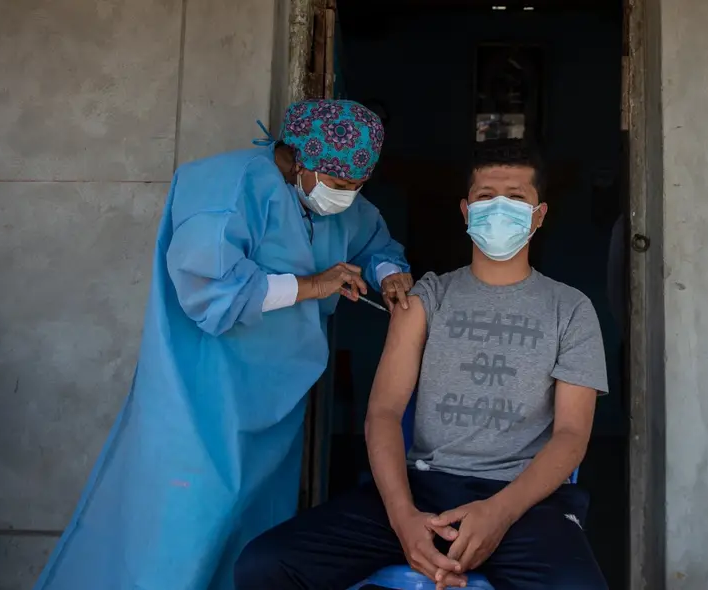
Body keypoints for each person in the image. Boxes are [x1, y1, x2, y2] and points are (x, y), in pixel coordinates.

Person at [33, 99, 413, 590]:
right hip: (202, 398)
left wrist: (389, 274)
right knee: (176, 539)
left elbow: (375, 242)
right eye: (340, 185)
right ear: (301, 158)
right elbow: (209, 291)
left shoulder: (337, 201)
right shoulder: (227, 186)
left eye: (357, 186)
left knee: (250, 540)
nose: (347, 196)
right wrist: (312, 285)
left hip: (277, 401)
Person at [235, 141, 609, 590]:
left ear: (539, 215)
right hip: (423, 489)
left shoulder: (571, 309)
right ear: (466, 212)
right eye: (486, 197)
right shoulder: (426, 299)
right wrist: (404, 520)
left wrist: (499, 513)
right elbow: (384, 412)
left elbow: (571, 436)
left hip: (524, 501)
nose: (499, 208)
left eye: (516, 198)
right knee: (265, 565)